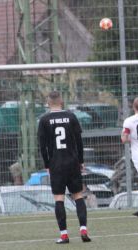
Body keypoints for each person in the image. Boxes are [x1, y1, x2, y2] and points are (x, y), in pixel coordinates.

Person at [38, 91, 91, 244]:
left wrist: (47, 164)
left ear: (48, 102)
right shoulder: (71, 116)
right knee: (78, 195)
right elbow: (79, 142)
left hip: (56, 164)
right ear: (61, 101)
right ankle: (83, 229)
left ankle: (64, 235)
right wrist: (80, 161)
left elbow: (42, 146)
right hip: (73, 162)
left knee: (59, 198)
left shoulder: (44, 120)